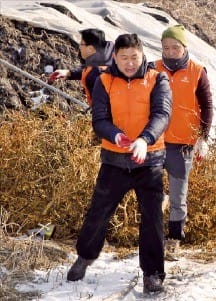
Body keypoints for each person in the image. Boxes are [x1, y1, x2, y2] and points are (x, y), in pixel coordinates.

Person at [66, 33, 172, 295]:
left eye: (134, 57)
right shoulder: (104, 80)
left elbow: (162, 114)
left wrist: (144, 140)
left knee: (152, 219)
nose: (129, 63)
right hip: (114, 160)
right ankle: (85, 256)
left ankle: (152, 274)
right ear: (115, 56)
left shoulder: (157, 79)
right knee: (98, 212)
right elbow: (99, 119)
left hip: (149, 161)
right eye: (124, 58)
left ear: (142, 54)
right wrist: (116, 135)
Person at [155, 24, 214, 259]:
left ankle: (174, 239)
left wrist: (203, 137)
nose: (170, 52)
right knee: (152, 192)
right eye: (166, 47)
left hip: (183, 143)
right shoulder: (153, 69)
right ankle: (153, 234)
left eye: (175, 47)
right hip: (155, 142)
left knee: (178, 195)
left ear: (184, 47)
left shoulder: (197, 71)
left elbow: (207, 106)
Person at [48, 28, 114, 105]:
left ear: (90, 49)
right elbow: (88, 71)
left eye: (82, 44)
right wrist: (69, 73)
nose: (79, 47)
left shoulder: (97, 74)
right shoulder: (104, 59)